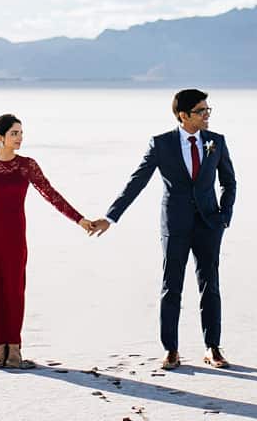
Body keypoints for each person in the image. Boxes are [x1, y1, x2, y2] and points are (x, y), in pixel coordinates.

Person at [90, 88, 238, 370]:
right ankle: (171, 349)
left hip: (209, 225)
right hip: (175, 226)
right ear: (183, 116)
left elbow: (229, 182)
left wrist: (223, 216)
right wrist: (111, 217)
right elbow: (137, 182)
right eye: (200, 111)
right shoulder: (162, 144)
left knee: (211, 286)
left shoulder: (216, 142)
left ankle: (213, 347)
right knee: (172, 287)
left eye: (208, 110)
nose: (207, 115)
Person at [0, 113, 98, 369]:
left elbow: (51, 194)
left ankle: (14, 348)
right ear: (0, 137)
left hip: (13, 237)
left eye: (21, 133)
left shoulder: (26, 165)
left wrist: (79, 219)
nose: (20, 138)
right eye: (14, 133)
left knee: (13, 290)